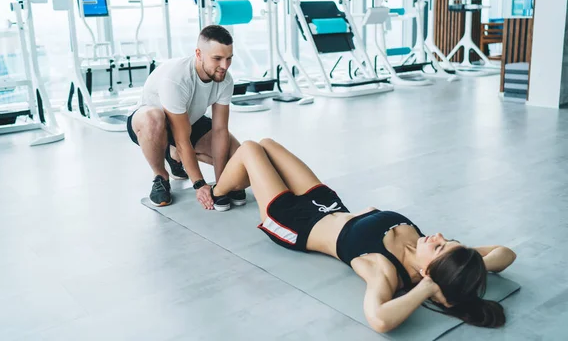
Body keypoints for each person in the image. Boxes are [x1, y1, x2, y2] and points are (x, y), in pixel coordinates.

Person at [209, 138, 517, 333]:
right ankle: (235, 185)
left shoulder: (385, 270)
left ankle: (217, 192)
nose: (436, 236)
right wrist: (478, 264)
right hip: (329, 204)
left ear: (427, 272)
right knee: (268, 144)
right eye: (446, 239)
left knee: (250, 149)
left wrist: (427, 288)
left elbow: (380, 320)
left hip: (293, 221)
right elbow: (506, 253)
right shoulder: (441, 256)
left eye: (439, 246)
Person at [127, 25, 245, 210]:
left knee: (238, 159)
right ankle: (161, 176)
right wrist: (199, 184)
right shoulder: (177, 78)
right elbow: (182, 139)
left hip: (188, 121)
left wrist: (222, 185)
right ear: (199, 54)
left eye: (229, 58)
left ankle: (175, 156)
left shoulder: (225, 79)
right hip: (151, 123)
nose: (224, 66)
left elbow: (220, 130)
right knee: (153, 118)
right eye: (217, 59)